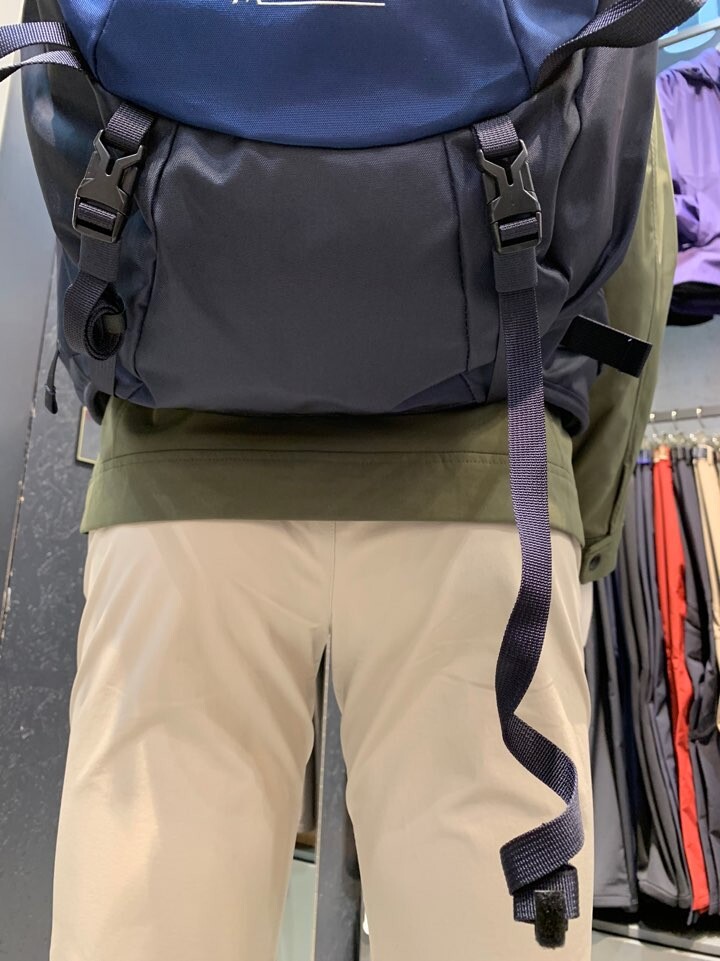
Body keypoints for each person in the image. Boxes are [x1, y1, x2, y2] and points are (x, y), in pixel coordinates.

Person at [47, 102, 676, 961]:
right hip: (489, 498)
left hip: (177, 491)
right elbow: (634, 218)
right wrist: (580, 513)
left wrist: (116, 397)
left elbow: (71, 122)